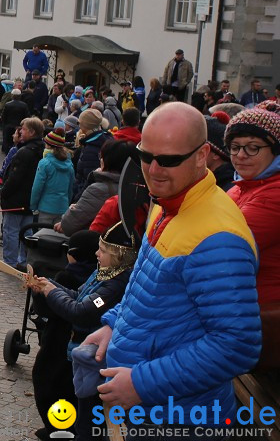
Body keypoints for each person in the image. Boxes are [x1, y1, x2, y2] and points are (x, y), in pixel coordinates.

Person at [80, 102, 260, 424]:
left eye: (169, 160)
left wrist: (141, 384)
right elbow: (147, 291)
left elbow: (237, 345)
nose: (153, 169)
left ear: (202, 155)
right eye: (145, 156)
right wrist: (113, 325)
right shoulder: (168, 201)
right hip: (150, 408)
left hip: (178, 418)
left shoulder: (219, 238)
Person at [30, 223, 138, 440]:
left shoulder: (115, 285)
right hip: (81, 354)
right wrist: (47, 284)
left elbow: (82, 311)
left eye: (103, 251)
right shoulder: (104, 274)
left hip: (95, 361)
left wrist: (51, 293)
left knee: (89, 423)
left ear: (118, 256)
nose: (97, 253)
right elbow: (77, 295)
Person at [225, 101, 280, 313]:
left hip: (262, 311)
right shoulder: (239, 187)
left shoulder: (275, 193)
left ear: (275, 151)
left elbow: (222, 241)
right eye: (235, 147)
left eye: (253, 147)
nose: (240, 155)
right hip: (239, 303)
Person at [57, 139, 133, 236]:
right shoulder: (137, 188)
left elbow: (68, 225)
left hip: (95, 245)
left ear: (106, 161)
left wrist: (72, 209)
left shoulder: (98, 190)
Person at [0, 118, 45, 271]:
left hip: (16, 199)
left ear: (32, 132)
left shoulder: (24, 152)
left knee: (11, 231)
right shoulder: (41, 149)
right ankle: (24, 260)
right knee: (26, 231)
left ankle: (10, 262)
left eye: (24, 129)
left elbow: (15, 177)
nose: (21, 132)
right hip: (30, 200)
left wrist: (4, 192)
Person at [30, 129, 75, 227]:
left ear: (49, 145)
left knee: (42, 235)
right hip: (62, 207)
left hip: (46, 207)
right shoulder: (69, 164)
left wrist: (33, 205)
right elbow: (70, 188)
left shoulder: (44, 163)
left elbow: (37, 187)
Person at [0, 88, 29, 154]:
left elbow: (4, 116)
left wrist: (4, 124)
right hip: (19, 126)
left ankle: (7, 153)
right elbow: (27, 116)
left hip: (8, 125)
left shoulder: (8, 104)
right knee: (18, 140)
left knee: (7, 140)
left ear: (12, 95)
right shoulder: (24, 105)